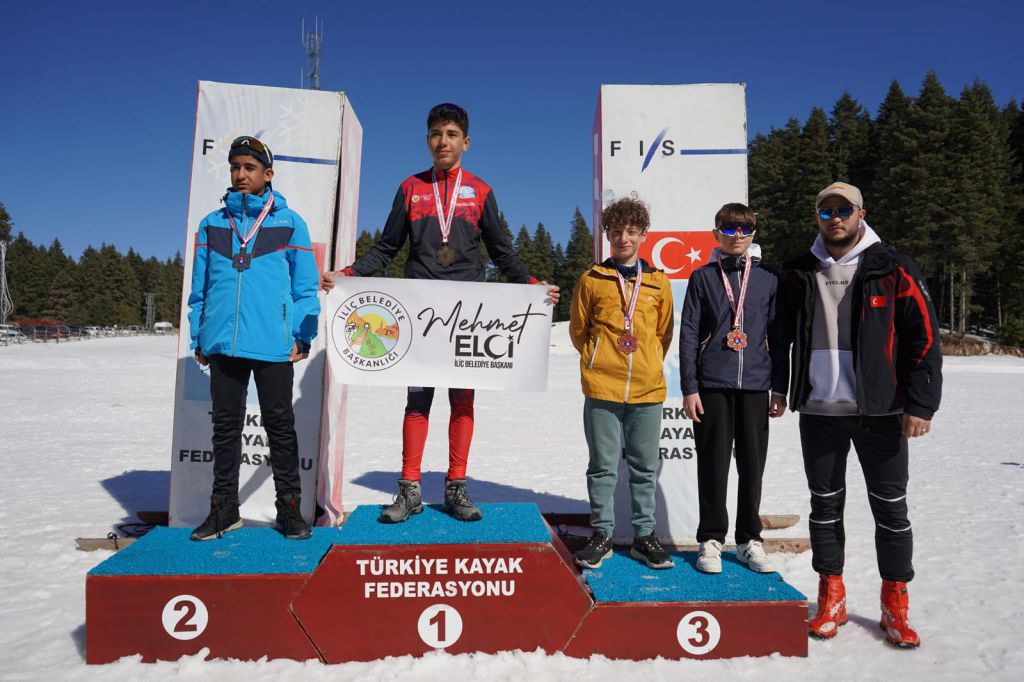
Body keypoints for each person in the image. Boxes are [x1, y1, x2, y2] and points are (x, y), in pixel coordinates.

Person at [321, 103, 558, 523]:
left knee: (462, 401)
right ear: (427, 140)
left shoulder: (480, 191)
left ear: (466, 142)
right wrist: (349, 274)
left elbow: (501, 251)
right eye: (435, 134)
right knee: (417, 402)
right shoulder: (410, 188)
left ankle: (456, 487)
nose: (442, 141)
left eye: (451, 134)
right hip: (421, 314)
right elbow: (387, 247)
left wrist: (532, 284)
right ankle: (409, 489)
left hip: (466, 315)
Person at [778, 182, 941, 648]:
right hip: (819, 410)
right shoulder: (800, 270)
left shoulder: (893, 266)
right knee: (825, 507)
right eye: (826, 211)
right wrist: (778, 387)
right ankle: (831, 596)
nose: (835, 218)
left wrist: (921, 404)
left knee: (890, 508)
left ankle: (895, 603)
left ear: (860, 214)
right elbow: (779, 333)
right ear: (817, 217)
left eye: (843, 210)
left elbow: (925, 337)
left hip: (881, 411)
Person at [187, 136, 320, 541]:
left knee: (280, 426)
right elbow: (199, 288)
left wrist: (303, 334)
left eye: (249, 167)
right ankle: (224, 509)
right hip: (223, 342)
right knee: (225, 428)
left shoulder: (290, 223)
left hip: (272, 343)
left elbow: (305, 288)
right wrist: (200, 333)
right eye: (235, 167)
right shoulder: (211, 223)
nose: (241, 174)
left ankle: (290, 509)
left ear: (268, 174)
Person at [679, 203, 788, 575]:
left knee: (752, 467)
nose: (737, 235)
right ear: (716, 234)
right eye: (729, 228)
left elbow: (779, 335)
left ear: (753, 233)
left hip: (756, 383)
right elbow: (689, 333)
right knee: (713, 465)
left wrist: (780, 386)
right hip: (712, 382)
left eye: (744, 228)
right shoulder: (703, 277)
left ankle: (748, 540)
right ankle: (711, 539)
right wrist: (690, 387)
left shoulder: (769, 277)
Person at [569, 197, 675, 570]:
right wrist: (598, 359)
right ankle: (602, 534)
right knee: (602, 466)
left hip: (647, 390)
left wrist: (646, 362)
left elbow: (663, 334)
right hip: (602, 387)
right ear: (608, 235)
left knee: (644, 467)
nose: (623, 238)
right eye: (616, 231)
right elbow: (579, 331)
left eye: (631, 231)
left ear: (644, 235)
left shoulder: (658, 283)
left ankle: (644, 536)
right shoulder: (591, 279)